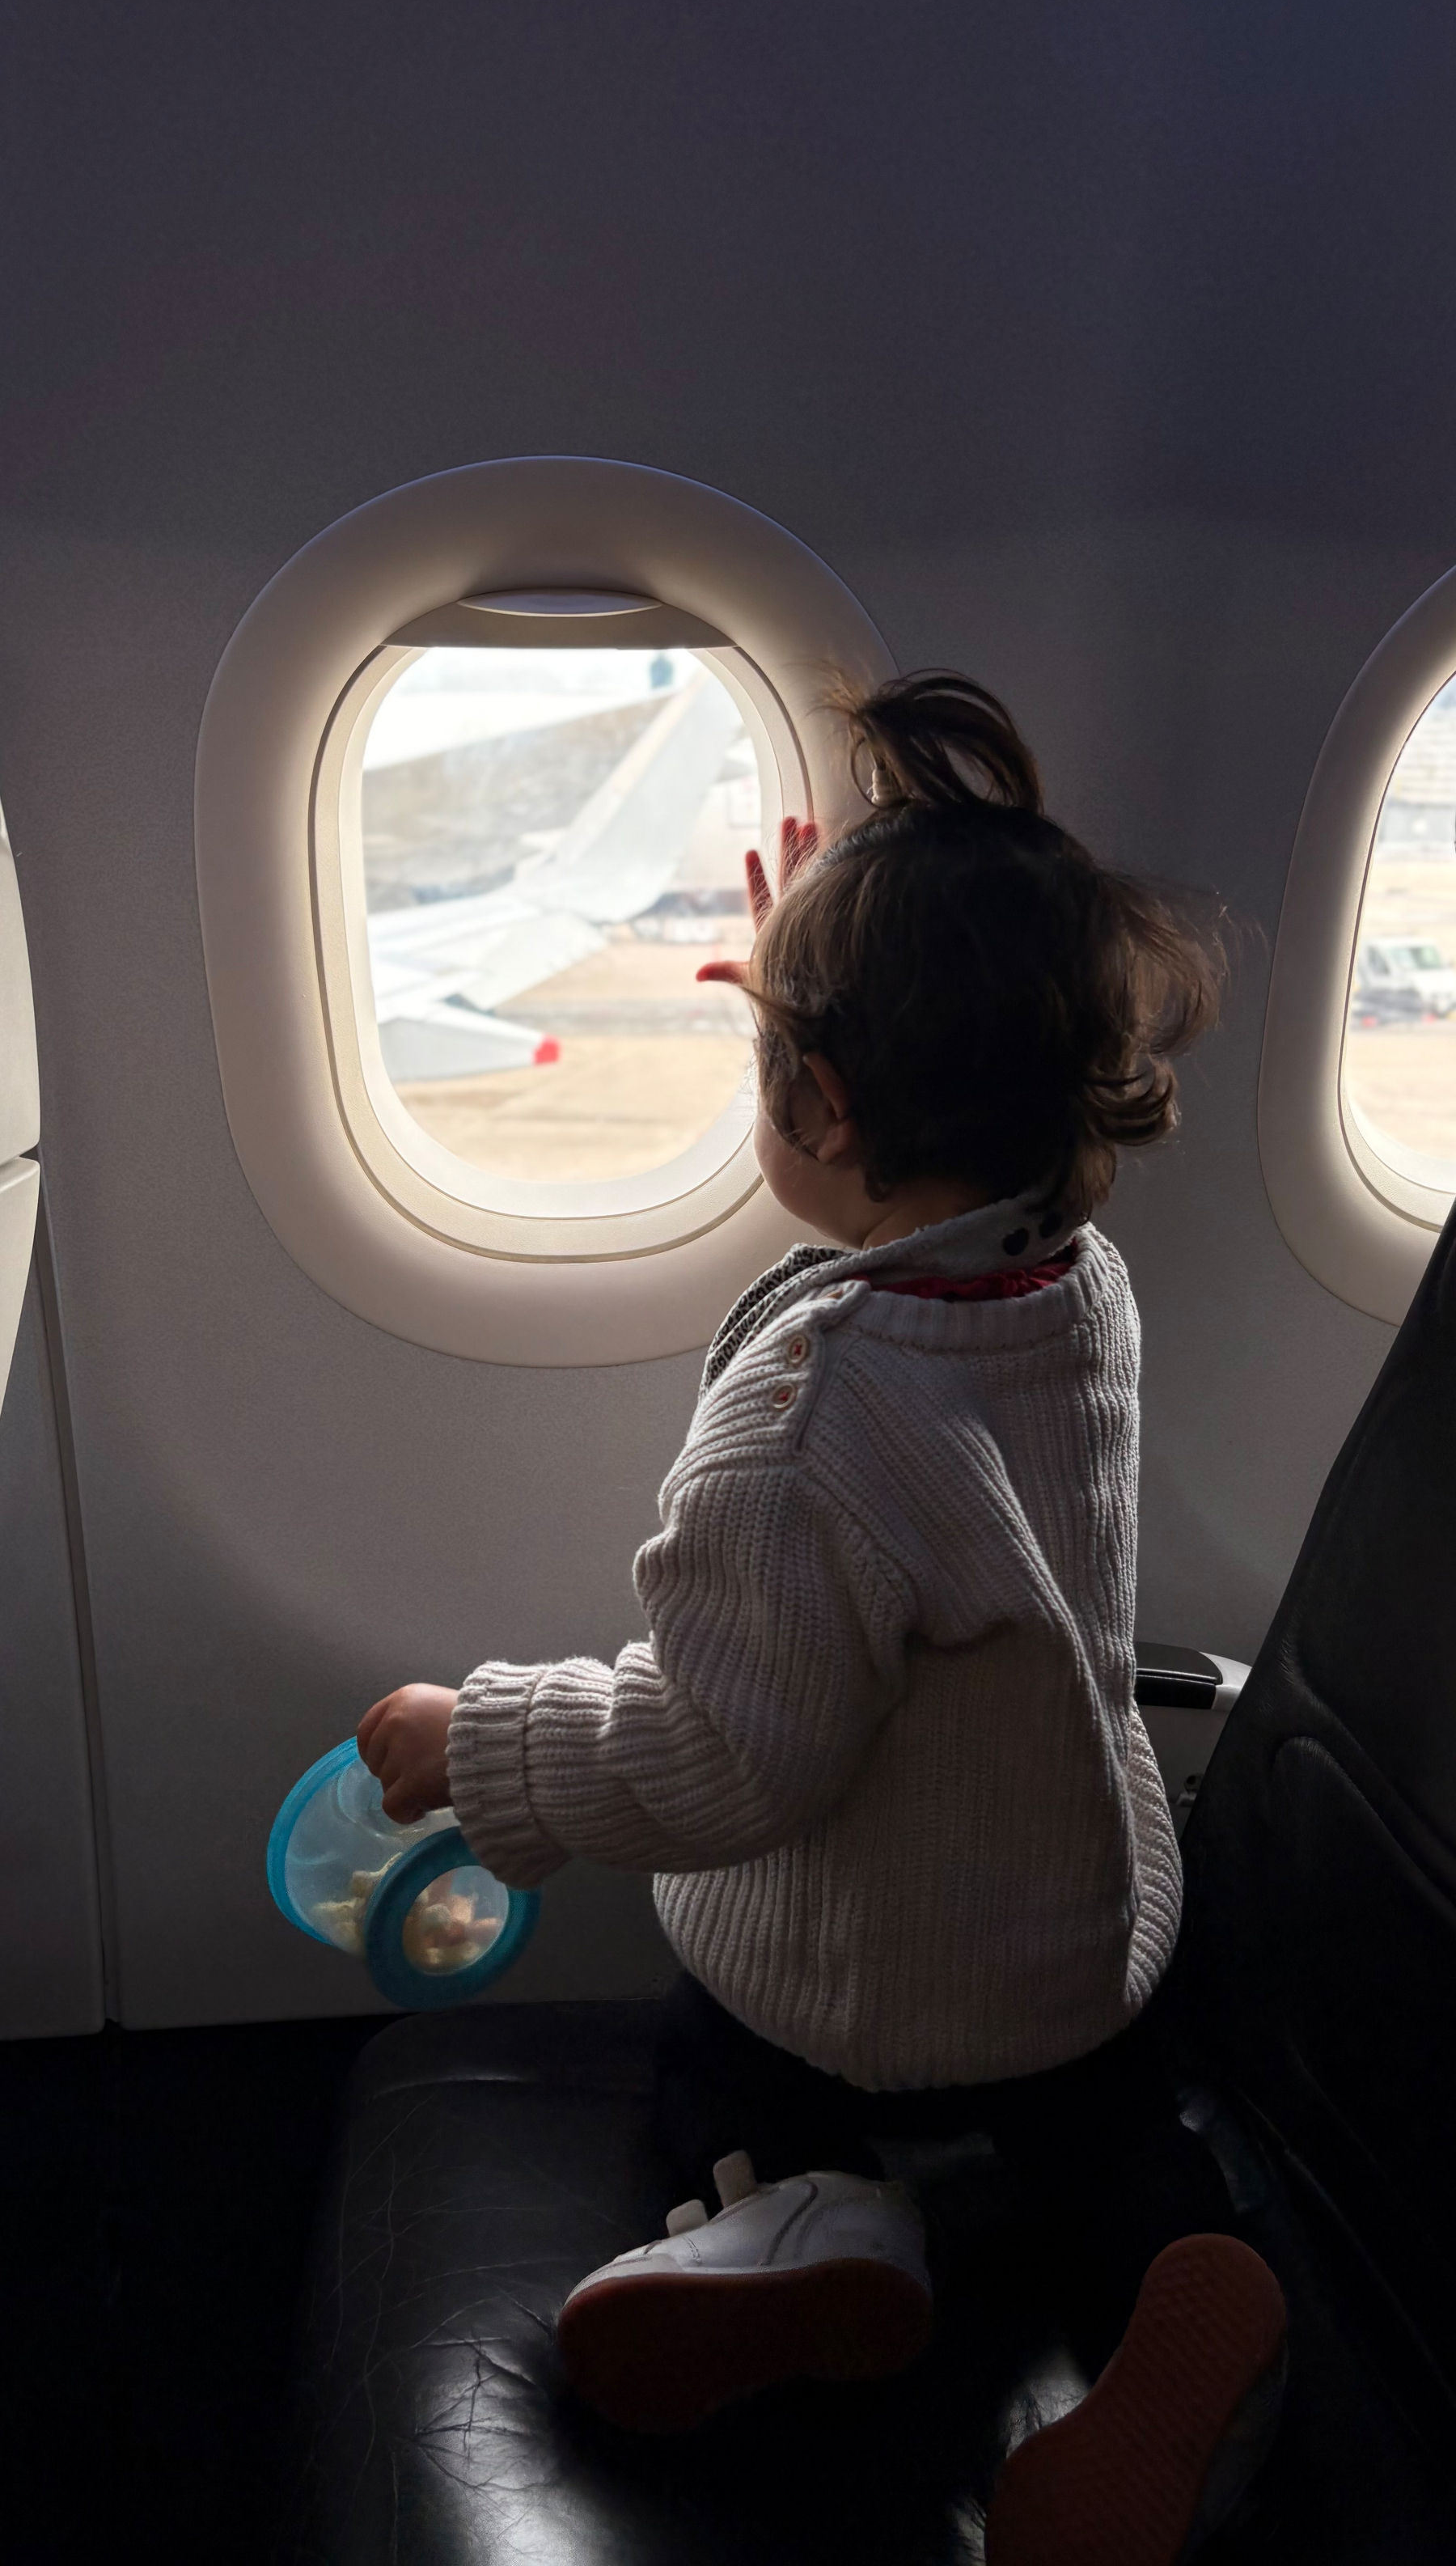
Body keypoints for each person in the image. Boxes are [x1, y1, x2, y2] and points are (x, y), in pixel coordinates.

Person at [358, 671, 1287, 2566]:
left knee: (718, 2056)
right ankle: (1195, 2271)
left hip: (862, 1979)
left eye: (772, 1061)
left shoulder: (804, 1432)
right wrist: (849, 1003)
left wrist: (485, 1745)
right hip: (1080, 1936)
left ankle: (810, 2206)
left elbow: (720, 1761)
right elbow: (901, 1203)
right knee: (1103, 2135)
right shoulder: (1067, 1282)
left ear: (826, 1098)